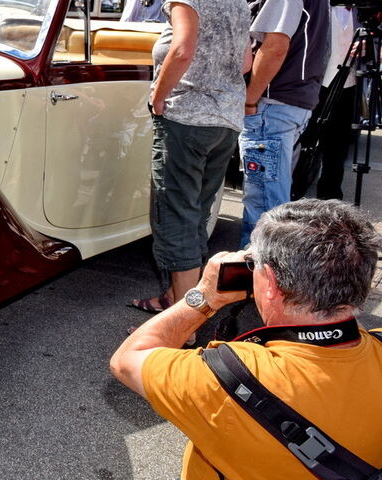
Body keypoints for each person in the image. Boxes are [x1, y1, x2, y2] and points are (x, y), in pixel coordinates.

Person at [111, 198, 382, 479]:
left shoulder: (226, 378)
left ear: (272, 285)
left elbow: (127, 359)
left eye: (254, 263)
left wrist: (204, 296)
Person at [129, 0, 251, 318]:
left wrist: (158, 97)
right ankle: (176, 300)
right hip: (224, 122)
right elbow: (247, 61)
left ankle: (184, 324)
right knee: (196, 215)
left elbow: (181, 49)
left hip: (187, 117)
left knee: (174, 215)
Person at [240, 0, 331, 246]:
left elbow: (274, 46)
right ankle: (267, 278)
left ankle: (255, 280)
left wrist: (250, 98)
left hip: (272, 103)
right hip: (292, 102)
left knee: (263, 201)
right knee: (273, 197)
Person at [311, 0, 367, 200]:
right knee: (307, 138)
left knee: (338, 147)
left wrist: (372, 44)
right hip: (315, 82)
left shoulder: (366, 2)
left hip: (349, 83)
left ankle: (330, 196)